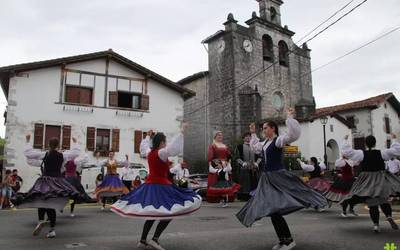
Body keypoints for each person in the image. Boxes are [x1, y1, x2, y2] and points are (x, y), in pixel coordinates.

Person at [236, 108, 327, 250]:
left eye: (265, 128)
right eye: (263, 128)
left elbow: (293, 134)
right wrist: (253, 132)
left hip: (278, 177)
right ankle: (283, 240)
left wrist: (290, 118)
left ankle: (289, 240)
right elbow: (255, 148)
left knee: (275, 210)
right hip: (267, 179)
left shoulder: (278, 141)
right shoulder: (265, 143)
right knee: (273, 211)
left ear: (273, 128)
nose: (264, 130)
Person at [111, 123, 201, 250]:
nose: (166, 144)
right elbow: (173, 149)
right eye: (165, 141)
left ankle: (142, 240)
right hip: (161, 186)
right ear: (161, 142)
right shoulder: (161, 153)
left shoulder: (150, 152)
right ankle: (154, 239)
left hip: (150, 185)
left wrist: (147, 137)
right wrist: (181, 132)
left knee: (153, 213)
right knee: (169, 213)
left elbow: (144, 147)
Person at [21, 134, 80, 238]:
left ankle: (40, 220)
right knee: (51, 205)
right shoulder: (63, 155)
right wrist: (75, 142)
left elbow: (28, 153)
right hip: (57, 182)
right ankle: (52, 230)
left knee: (41, 200)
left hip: (45, 181)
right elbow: (75, 153)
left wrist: (27, 140)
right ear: (58, 145)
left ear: (48, 145)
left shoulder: (45, 154)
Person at [341, 134, 400, 233]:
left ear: (365, 143)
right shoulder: (382, 153)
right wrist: (394, 139)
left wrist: (345, 140)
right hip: (380, 178)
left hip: (367, 179)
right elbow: (396, 150)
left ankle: (376, 225)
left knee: (372, 203)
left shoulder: (361, 154)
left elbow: (347, 152)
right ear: (375, 143)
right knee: (383, 199)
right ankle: (389, 216)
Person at [207, 131, 240, 207]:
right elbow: (210, 157)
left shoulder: (225, 146)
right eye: (218, 135)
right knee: (219, 183)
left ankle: (225, 200)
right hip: (217, 165)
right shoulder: (213, 145)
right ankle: (222, 199)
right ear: (215, 136)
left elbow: (229, 156)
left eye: (221, 135)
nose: (220, 136)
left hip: (225, 165)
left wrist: (229, 164)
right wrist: (210, 166)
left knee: (225, 182)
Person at [235, 132, 261, 201]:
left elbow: (260, 156)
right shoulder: (239, 147)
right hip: (244, 168)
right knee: (245, 182)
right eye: (246, 136)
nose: (248, 138)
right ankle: (244, 196)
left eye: (249, 136)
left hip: (254, 168)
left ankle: (254, 195)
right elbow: (237, 157)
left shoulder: (255, 146)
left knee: (254, 181)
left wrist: (256, 163)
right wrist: (243, 163)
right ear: (243, 138)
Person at [64, 153, 91, 217]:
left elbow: (62, 169)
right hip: (73, 179)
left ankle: (64, 208)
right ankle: (71, 211)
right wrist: (86, 153)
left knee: (65, 194)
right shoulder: (74, 161)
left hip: (66, 179)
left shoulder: (65, 162)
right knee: (74, 195)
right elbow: (85, 160)